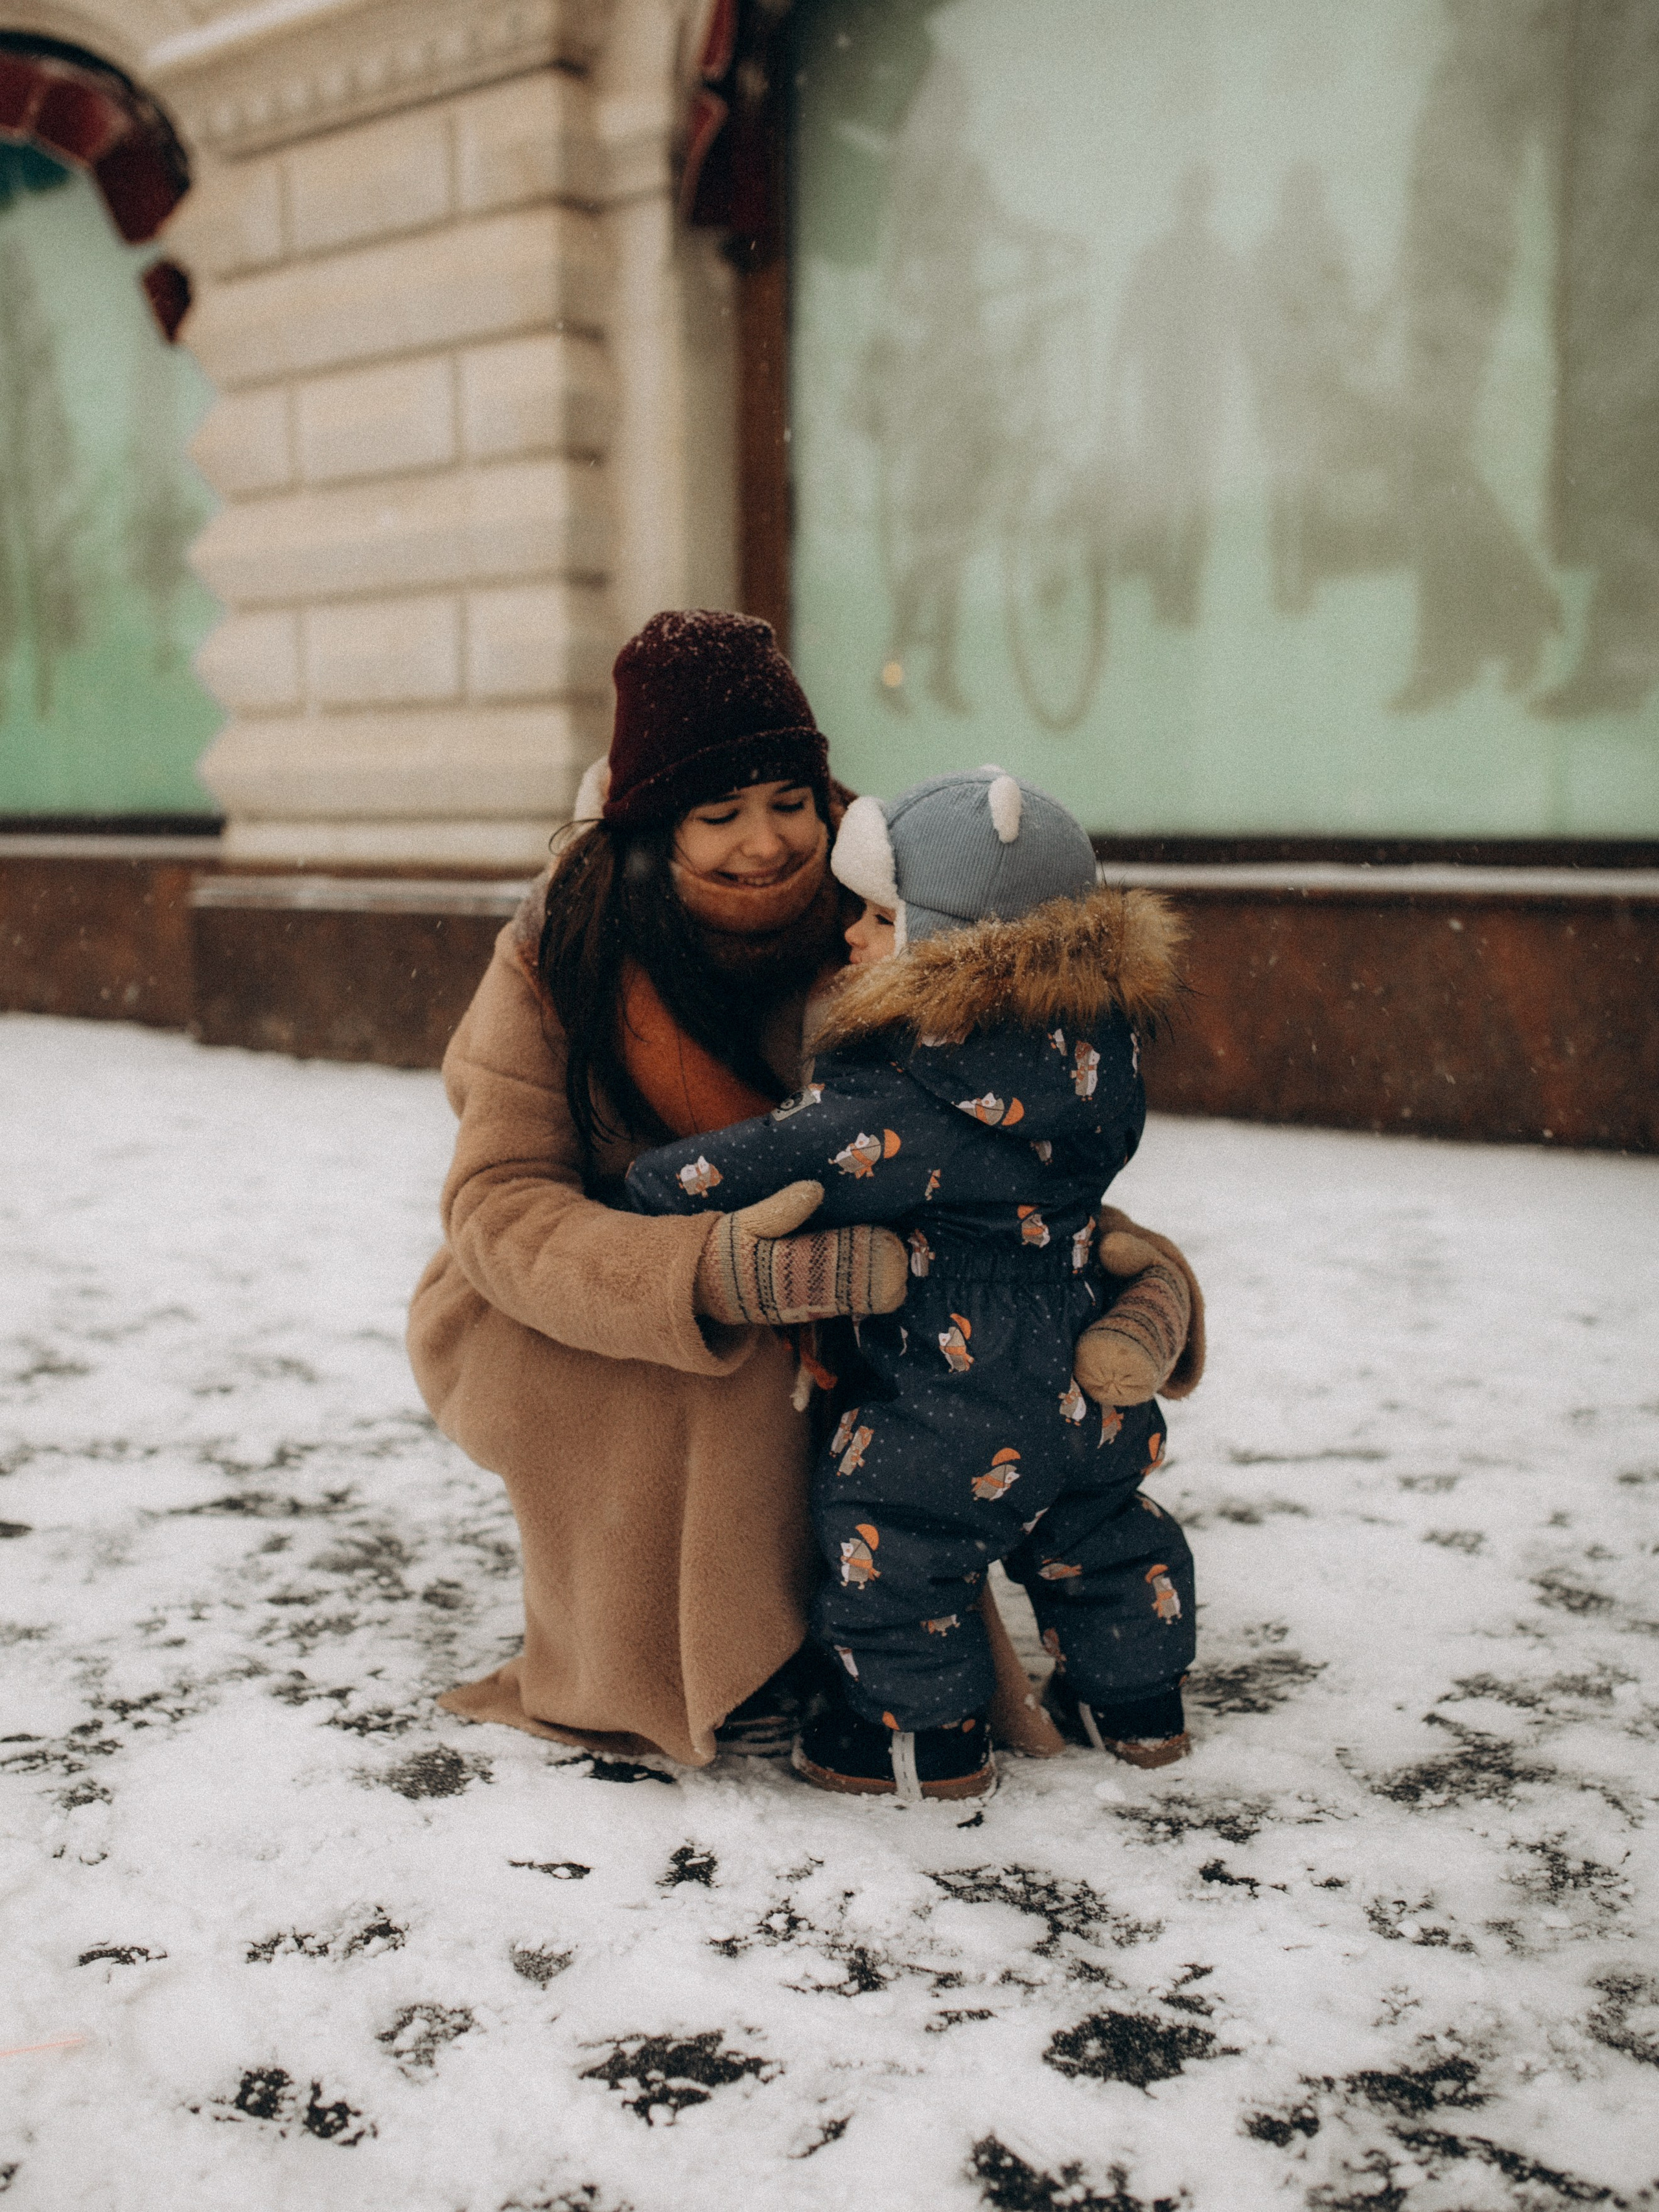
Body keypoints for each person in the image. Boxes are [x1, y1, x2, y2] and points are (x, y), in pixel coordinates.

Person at [408, 612, 1204, 1771]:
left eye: (788, 799)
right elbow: (498, 1206)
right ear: (651, 822)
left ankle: (860, 1651)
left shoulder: (902, 909)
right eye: (717, 814)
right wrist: (706, 1273)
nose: (764, 843)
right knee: (728, 1364)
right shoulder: (561, 947)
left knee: (911, 1385)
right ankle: (705, 1656)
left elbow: (989, 1134)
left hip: (876, 1271)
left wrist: (1111, 1257)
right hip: (566, 1287)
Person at [625, 769, 1201, 1802]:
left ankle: (917, 1735)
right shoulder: (1100, 1065)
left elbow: (779, 1154)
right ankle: (1140, 1705)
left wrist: (652, 1184)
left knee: (891, 1539)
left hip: (956, 1386)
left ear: (949, 944)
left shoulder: (911, 1096)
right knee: (1104, 1531)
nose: (851, 938)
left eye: (880, 918)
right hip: (1081, 1355)